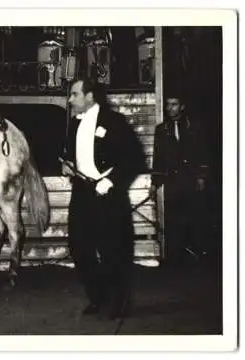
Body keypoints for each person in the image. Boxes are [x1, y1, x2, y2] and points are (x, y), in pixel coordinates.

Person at [61, 76, 147, 320]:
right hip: (82, 193)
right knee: (79, 248)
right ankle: (98, 296)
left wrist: (111, 182)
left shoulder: (115, 122)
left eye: (74, 94)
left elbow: (134, 159)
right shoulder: (74, 124)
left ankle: (120, 302)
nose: (70, 100)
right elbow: (70, 153)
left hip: (109, 195)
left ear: (89, 97)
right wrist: (67, 165)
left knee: (113, 250)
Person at [151, 90, 209, 267]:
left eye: (174, 104)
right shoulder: (162, 130)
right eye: (168, 104)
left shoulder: (194, 127)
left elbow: (203, 153)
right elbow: (158, 157)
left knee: (193, 217)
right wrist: (155, 183)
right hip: (172, 182)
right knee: (173, 218)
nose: (170, 108)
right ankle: (175, 258)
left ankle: (197, 254)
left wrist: (201, 177)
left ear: (182, 107)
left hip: (190, 180)